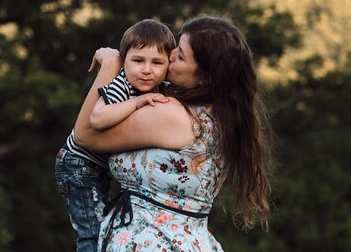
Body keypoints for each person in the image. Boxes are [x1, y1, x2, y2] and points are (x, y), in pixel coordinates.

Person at [73, 15, 272, 252]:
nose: (169, 56)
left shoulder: (172, 115)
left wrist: (110, 65)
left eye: (180, 56)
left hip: (152, 242)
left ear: (205, 76)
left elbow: (83, 135)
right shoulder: (221, 118)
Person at [55, 19, 177, 252]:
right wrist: (136, 102)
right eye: (138, 61)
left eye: (157, 63)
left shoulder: (162, 87)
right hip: (79, 165)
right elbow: (98, 118)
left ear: (167, 65)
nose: (146, 70)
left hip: (102, 168)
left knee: (107, 229)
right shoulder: (122, 84)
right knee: (92, 232)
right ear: (124, 61)